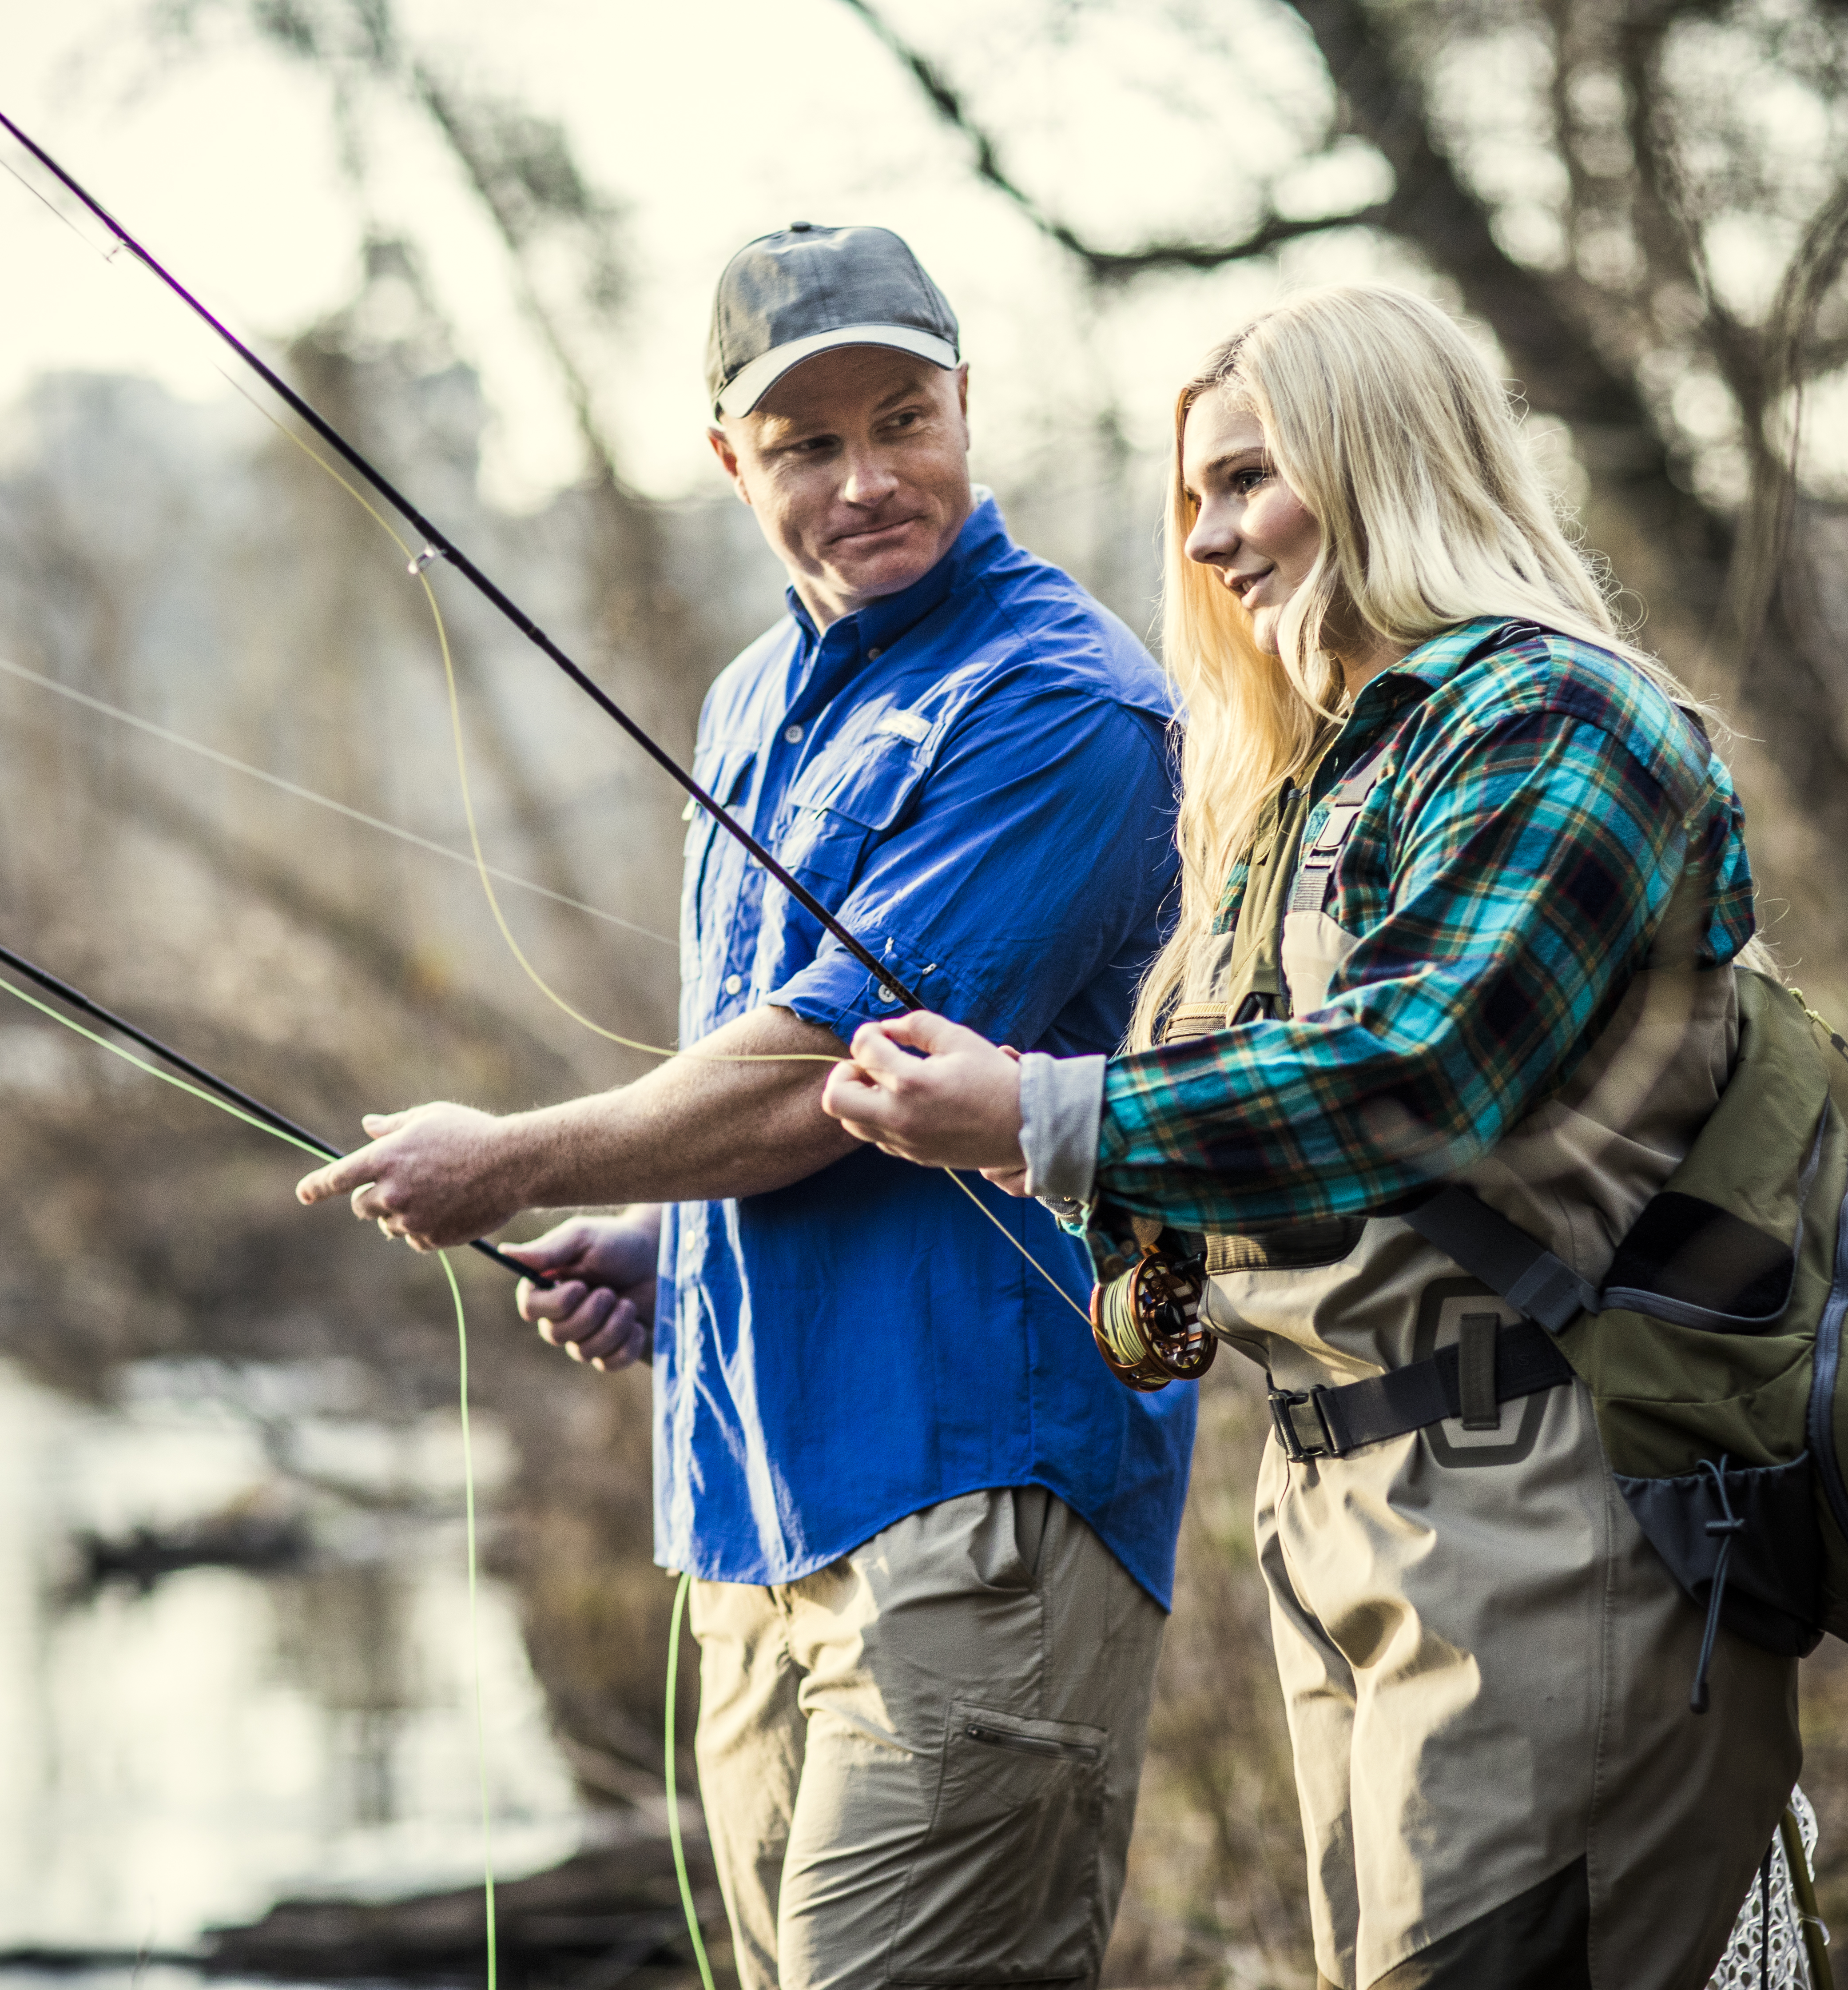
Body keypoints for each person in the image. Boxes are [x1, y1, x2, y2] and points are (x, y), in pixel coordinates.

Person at [819, 282, 1810, 1989]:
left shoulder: (1560, 725)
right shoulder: (1296, 785)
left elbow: (1417, 1075)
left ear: (1384, 461)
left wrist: (1058, 1111)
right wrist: (1067, 1172)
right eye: (1191, 498)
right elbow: (1195, 1262)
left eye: (1251, 481)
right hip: (1334, 1516)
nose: (1206, 540)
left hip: (1553, 1506)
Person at [296, 224, 1197, 1990]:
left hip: (979, 1515)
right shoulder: (750, 699)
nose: (868, 480)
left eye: (903, 420)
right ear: (730, 462)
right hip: (750, 1531)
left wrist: (514, 1157)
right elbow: (753, 1101)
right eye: (805, 444)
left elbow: (810, 1084)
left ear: (966, 408)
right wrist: (663, 1237)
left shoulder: (1063, 705)